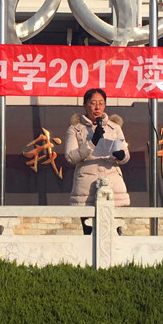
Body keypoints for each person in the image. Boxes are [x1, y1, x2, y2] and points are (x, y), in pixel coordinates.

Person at [64, 88, 130, 234]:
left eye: (101, 103)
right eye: (93, 103)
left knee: (115, 233)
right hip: (87, 187)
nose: (97, 107)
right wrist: (92, 143)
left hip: (113, 186)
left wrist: (121, 156)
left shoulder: (115, 127)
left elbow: (126, 156)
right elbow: (70, 157)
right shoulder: (75, 129)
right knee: (89, 233)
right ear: (85, 105)